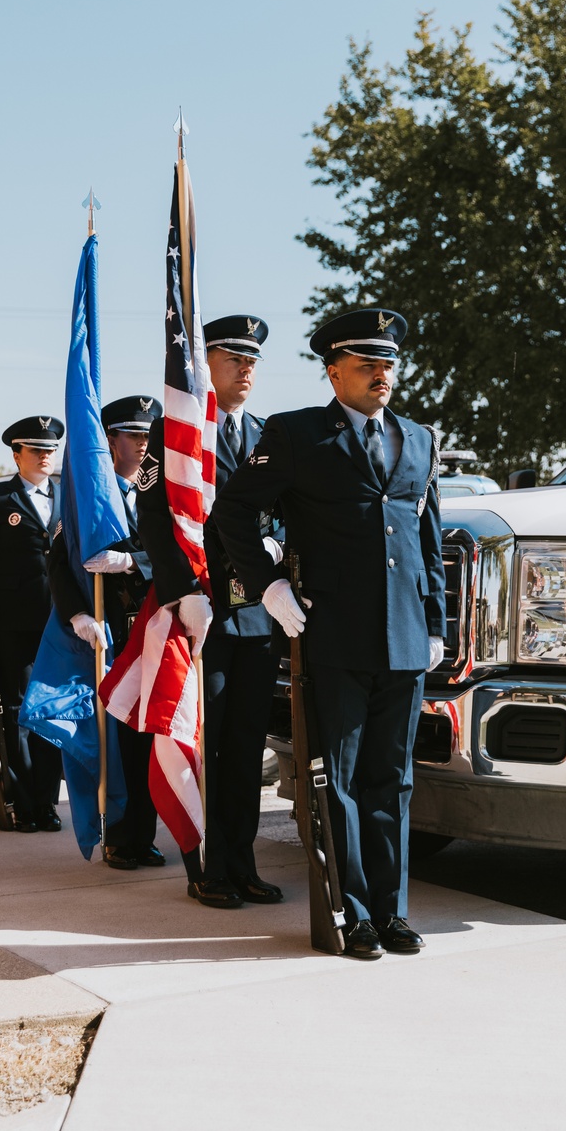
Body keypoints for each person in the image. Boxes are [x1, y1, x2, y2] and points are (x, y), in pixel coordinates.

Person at [211, 308, 446, 959]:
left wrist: (435, 624)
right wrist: (268, 585)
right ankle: (352, 913)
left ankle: (392, 912)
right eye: (366, 363)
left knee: (391, 779)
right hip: (333, 636)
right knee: (336, 781)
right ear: (333, 370)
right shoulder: (295, 435)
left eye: (388, 363)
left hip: (402, 641)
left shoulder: (419, 439)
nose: (381, 374)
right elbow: (233, 509)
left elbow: (427, 542)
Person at [136, 315, 284, 910]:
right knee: (206, 743)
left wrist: (279, 549)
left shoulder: (270, 433)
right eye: (233, 359)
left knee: (248, 747)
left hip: (257, 617)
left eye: (253, 361)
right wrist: (181, 589)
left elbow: (285, 508)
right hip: (202, 613)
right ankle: (206, 866)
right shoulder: (171, 432)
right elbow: (154, 518)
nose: (246, 370)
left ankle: (243, 861)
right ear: (206, 364)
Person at [47, 393, 165, 870]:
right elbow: (59, 560)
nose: (142, 445)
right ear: (108, 441)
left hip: (155, 628)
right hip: (111, 631)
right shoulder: (89, 497)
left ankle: (145, 835)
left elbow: (181, 554)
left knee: (150, 738)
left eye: (147, 437)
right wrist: (78, 613)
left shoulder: (159, 492)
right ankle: (119, 836)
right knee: (116, 739)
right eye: (133, 436)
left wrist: (133, 561)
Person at [0, 416, 65, 833]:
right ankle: (23, 805)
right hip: (15, 621)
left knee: (55, 712)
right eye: (37, 449)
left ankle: (47, 802)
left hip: (59, 622)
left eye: (50, 450)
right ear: (16, 454)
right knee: (21, 712)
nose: (45, 456)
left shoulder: (66, 495)